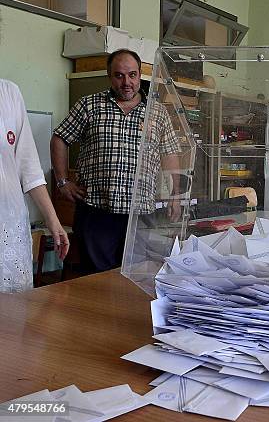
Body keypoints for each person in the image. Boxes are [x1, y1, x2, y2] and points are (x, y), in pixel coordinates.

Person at [51, 49, 181, 274]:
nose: (126, 82)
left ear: (140, 75)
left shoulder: (157, 113)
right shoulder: (89, 106)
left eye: (132, 75)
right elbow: (60, 138)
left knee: (136, 277)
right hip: (97, 211)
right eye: (119, 75)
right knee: (94, 280)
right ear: (109, 76)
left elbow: (170, 154)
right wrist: (62, 182)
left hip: (140, 213)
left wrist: (176, 195)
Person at [0, 79, 69, 293]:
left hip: (8, 227)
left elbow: (28, 167)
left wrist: (53, 221)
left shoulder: (8, 92)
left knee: (12, 312)